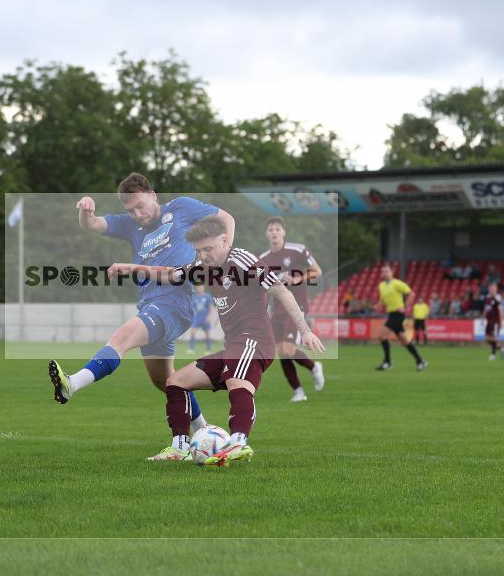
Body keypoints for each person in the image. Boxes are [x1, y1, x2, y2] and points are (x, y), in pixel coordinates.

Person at [108, 216, 325, 465]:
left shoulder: (243, 261)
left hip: (255, 343)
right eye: (198, 250)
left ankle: (238, 443)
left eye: (208, 249)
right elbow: (170, 274)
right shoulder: (203, 266)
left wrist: (305, 330)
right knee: (176, 382)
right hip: (233, 346)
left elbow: (281, 291)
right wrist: (132, 268)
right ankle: (179, 447)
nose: (203, 255)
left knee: (236, 381)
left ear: (225, 240)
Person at [49, 173, 236, 435]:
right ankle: (205, 432)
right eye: (131, 210)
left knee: (121, 338)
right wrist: (85, 208)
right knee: (167, 381)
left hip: (174, 302)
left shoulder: (180, 208)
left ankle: (72, 384)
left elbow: (226, 218)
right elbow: (91, 224)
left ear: (152, 195)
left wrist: (225, 257)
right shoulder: (128, 225)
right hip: (149, 305)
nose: (137, 214)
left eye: (140, 206)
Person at [259, 216, 324, 402]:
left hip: (298, 306)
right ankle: (298, 392)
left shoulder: (298, 250)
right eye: (270, 229)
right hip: (277, 309)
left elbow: (316, 271)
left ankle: (314, 367)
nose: (274, 232)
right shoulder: (263, 259)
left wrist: (297, 279)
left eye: (277, 229)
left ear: (284, 232)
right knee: (281, 352)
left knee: (287, 350)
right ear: (266, 234)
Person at [375, 263, 427, 371]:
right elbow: (383, 300)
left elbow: (411, 294)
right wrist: (378, 305)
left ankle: (388, 362)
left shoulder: (397, 283)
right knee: (404, 341)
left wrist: (404, 306)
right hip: (391, 314)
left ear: (391, 272)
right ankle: (420, 361)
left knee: (381, 335)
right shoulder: (381, 286)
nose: (385, 273)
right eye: (383, 271)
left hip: (398, 315)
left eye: (387, 271)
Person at [187, 285, 215, 354]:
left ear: (203, 288)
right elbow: (191, 308)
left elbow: (211, 308)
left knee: (207, 334)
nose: (199, 288)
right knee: (193, 332)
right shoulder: (194, 297)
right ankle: (191, 349)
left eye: (201, 287)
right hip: (197, 318)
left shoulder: (207, 296)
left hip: (205, 318)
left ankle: (208, 350)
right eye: (198, 287)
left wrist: (209, 317)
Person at [482, 282, 504, 360]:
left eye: (493, 288)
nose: (492, 290)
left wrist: (501, 321)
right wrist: (483, 318)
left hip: (495, 321)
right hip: (489, 321)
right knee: (487, 338)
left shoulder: (497, 298)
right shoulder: (487, 297)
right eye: (491, 288)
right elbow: (486, 309)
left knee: (494, 337)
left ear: (496, 289)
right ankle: (501, 348)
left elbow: (500, 310)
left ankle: (493, 355)